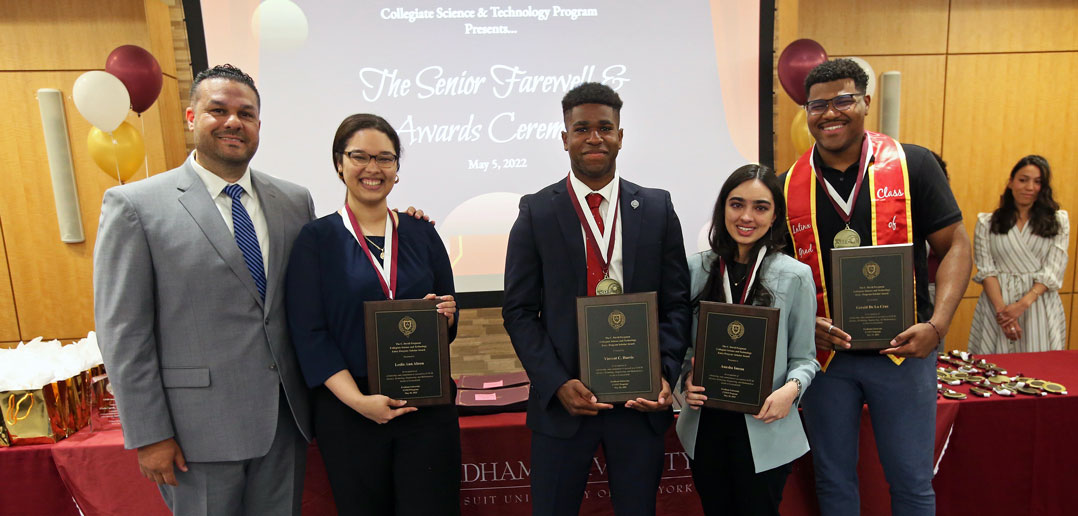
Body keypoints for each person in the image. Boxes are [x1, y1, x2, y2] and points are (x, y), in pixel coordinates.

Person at [94, 64, 315, 515]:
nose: (233, 122)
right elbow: (122, 332)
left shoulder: (294, 201)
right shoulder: (136, 206)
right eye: (218, 110)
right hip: (195, 435)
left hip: (284, 423)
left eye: (246, 114)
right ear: (192, 118)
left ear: (258, 126)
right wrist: (149, 433)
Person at [782, 59, 972, 516]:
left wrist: (938, 324)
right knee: (833, 481)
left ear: (866, 103)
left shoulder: (913, 165)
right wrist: (804, 323)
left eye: (843, 100)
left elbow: (956, 247)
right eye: (817, 105)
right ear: (805, 112)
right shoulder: (787, 184)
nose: (830, 113)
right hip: (826, 361)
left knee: (910, 482)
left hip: (903, 354)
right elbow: (777, 277)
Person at [502, 82, 692, 515]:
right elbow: (518, 311)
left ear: (620, 136)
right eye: (582, 128)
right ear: (564, 137)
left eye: (605, 128)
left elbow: (677, 303)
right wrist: (555, 383)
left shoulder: (658, 208)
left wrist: (663, 374)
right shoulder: (537, 211)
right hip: (565, 402)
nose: (594, 137)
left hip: (638, 402)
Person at [284, 113, 461, 515]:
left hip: (426, 407)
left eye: (385, 158)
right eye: (360, 156)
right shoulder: (316, 240)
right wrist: (359, 401)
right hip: (351, 413)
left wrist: (447, 316)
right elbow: (310, 334)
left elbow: (447, 318)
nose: (372, 168)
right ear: (339, 163)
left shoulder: (422, 233)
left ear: (397, 169)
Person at [676, 164, 818, 516]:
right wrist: (687, 379)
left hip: (764, 427)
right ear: (722, 208)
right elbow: (680, 348)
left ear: (775, 216)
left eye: (760, 207)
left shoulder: (796, 276)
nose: (746, 217)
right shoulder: (696, 269)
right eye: (736, 204)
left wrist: (791, 390)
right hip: (706, 426)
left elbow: (806, 358)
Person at [969, 155, 1069, 353]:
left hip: (1038, 304)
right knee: (993, 370)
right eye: (1023, 180)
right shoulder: (986, 223)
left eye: (1037, 182)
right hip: (997, 305)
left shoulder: (1058, 220)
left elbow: (1054, 269)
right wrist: (1003, 314)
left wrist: (1022, 305)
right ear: (1011, 182)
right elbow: (986, 271)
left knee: (1040, 370)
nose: (1030, 187)